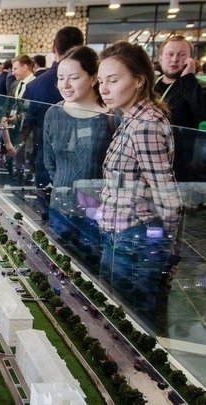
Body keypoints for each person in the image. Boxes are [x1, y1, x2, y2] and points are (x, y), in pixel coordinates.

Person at [97, 41, 181, 335]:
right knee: (115, 321)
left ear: (139, 81)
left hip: (134, 239)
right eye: (101, 81)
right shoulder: (131, 117)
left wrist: (168, 250)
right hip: (122, 234)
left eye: (113, 80)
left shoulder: (145, 125)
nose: (104, 89)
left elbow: (168, 195)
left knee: (128, 330)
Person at [43, 46, 112, 260]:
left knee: (91, 270)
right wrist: (64, 190)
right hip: (60, 207)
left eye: (73, 78)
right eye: (60, 78)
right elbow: (50, 162)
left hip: (97, 212)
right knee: (58, 267)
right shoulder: (53, 113)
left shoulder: (111, 116)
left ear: (93, 78)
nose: (65, 85)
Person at [24, 26, 84, 188]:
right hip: (82, 166)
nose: (66, 85)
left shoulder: (35, 85)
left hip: (46, 158)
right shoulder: (97, 85)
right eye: (62, 79)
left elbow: (29, 124)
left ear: (53, 47)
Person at [154, 36, 206, 182]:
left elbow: (203, 112)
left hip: (178, 166)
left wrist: (188, 77)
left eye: (182, 55)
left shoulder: (195, 87)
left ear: (190, 60)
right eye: (170, 54)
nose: (175, 59)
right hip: (149, 157)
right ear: (160, 59)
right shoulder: (151, 85)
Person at [0, 54, 35, 184]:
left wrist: (19, 116)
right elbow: (7, 103)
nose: (13, 72)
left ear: (25, 67)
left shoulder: (35, 84)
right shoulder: (15, 84)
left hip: (28, 132)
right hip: (13, 130)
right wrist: (3, 115)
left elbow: (33, 109)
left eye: (15, 69)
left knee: (25, 159)